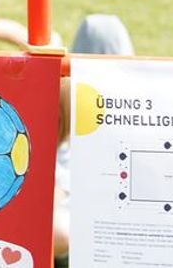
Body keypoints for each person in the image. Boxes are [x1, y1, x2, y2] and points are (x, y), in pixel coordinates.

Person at [54, 14, 135, 267]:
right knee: (61, 232)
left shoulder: (137, 106)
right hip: (73, 195)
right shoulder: (64, 95)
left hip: (111, 197)